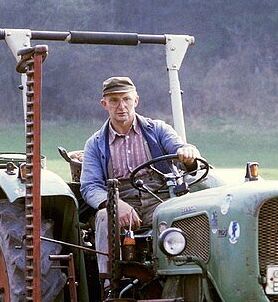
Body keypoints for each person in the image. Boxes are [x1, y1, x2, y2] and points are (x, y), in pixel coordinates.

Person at [80, 76, 201, 274]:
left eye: (126, 99)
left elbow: (181, 148)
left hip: (159, 197)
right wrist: (114, 204)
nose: (121, 106)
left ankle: (189, 275)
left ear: (136, 100)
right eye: (114, 101)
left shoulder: (158, 130)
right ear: (104, 104)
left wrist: (188, 153)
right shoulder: (95, 144)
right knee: (103, 218)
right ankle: (110, 284)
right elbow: (90, 187)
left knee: (189, 213)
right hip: (121, 198)